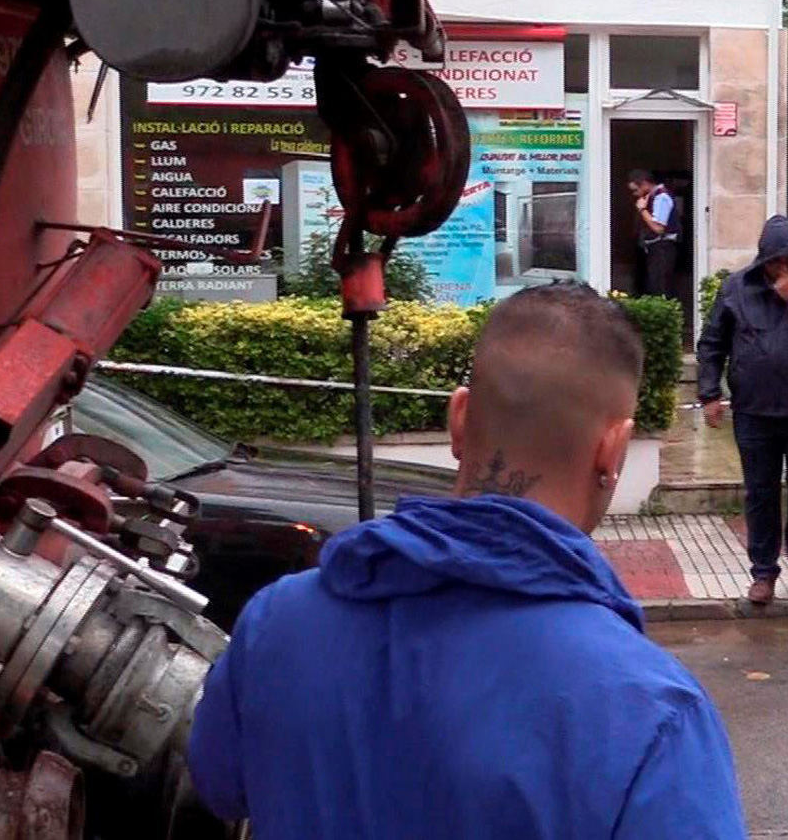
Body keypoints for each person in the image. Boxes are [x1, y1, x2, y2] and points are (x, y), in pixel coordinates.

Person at [187, 285, 747, 840]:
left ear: (458, 418)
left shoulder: (275, 624)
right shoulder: (651, 711)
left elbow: (218, 785)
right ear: (614, 450)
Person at [697, 215, 788, 604]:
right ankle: (764, 572)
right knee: (761, 493)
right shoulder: (736, 289)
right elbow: (712, 343)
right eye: (774, 260)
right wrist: (709, 392)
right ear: (763, 258)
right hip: (754, 414)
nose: (781, 267)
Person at [627, 168, 681, 298]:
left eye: (636, 190)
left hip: (662, 247)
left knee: (661, 288)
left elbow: (658, 228)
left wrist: (642, 210)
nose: (635, 194)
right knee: (652, 285)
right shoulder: (651, 197)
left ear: (645, 183)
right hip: (653, 248)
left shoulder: (661, 197)